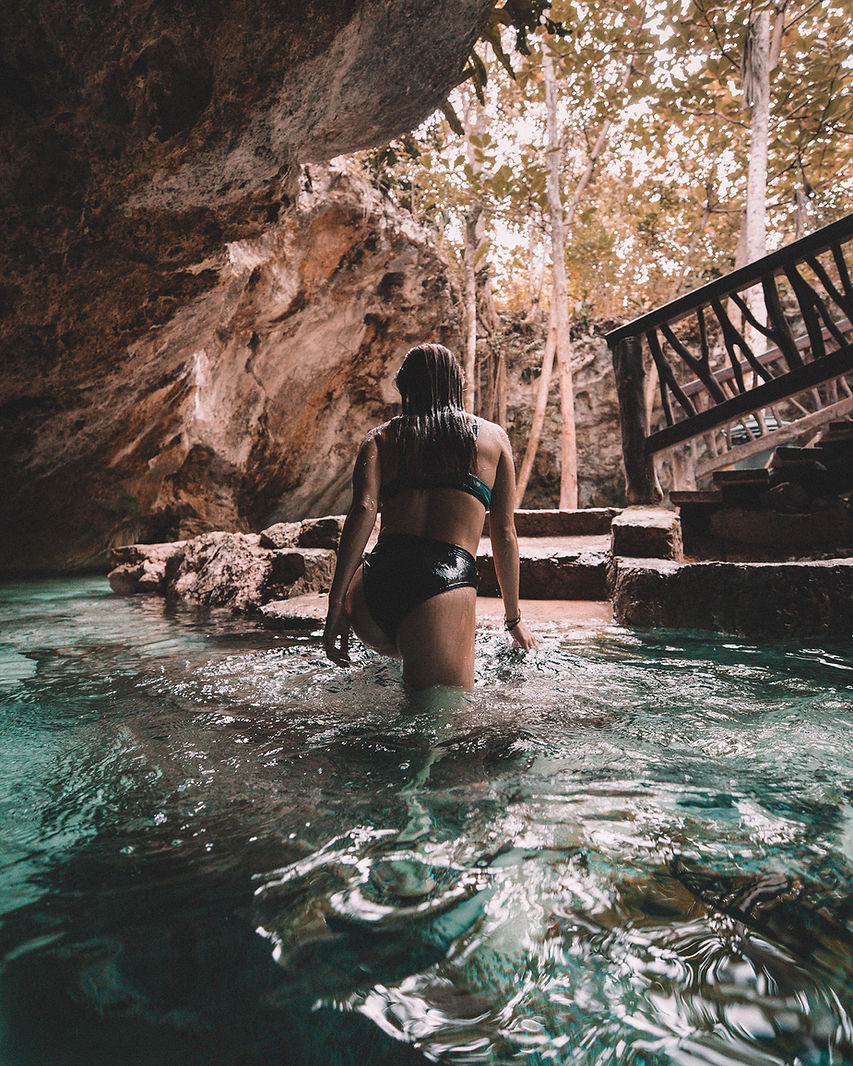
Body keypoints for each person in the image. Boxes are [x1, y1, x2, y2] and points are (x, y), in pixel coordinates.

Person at [323, 342, 539, 689]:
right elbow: (504, 534)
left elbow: (362, 511)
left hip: (372, 590)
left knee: (401, 670)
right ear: (458, 384)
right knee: (437, 731)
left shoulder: (379, 439)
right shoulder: (493, 439)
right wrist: (513, 620)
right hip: (442, 587)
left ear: (406, 388)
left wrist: (336, 605)